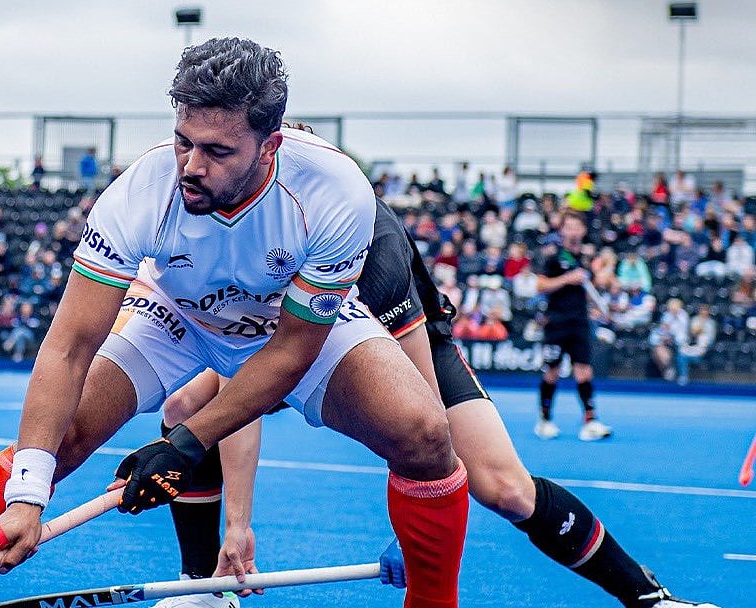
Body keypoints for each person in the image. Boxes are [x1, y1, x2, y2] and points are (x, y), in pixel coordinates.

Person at [0, 38, 468, 608]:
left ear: (269, 144)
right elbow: (71, 346)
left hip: (283, 322)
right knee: (58, 439)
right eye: (183, 141)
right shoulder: (142, 191)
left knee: (424, 435)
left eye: (217, 151)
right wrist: (27, 496)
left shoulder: (334, 191)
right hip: (175, 313)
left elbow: (292, 350)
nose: (190, 167)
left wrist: (186, 443)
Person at [151, 198, 718, 608]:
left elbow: (421, 418)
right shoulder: (246, 230)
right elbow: (235, 398)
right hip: (292, 348)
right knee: (185, 410)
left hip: (400, 350)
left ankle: (648, 597)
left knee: (506, 489)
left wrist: (421, 516)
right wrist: (238, 530)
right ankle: (203, 589)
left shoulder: (371, 237)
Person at [535, 211, 613, 441]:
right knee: (552, 372)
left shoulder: (585, 259)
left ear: (583, 230)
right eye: (568, 227)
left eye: (576, 227)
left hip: (580, 322)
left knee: (584, 371)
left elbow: (590, 289)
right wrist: (567, 279)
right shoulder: (553, 256)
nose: (572, 231)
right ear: (562, 231)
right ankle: (545, 420)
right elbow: (540, 285)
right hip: (556, 322)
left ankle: (590, 421)